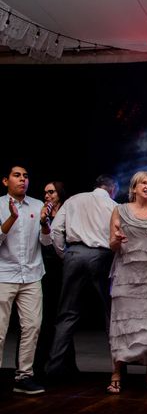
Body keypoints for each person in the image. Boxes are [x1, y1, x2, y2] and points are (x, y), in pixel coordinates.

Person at [46, 174, 119, 381]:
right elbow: (118, 237)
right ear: (112, 189)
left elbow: (55, 231)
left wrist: (65, 254)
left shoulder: (73, 200)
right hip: (102, 256)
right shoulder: (114, 206)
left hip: (74, 254)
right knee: (110, 315)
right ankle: (117, 371)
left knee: (67, 314)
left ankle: (52, 371)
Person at [107, 171, 147, 394]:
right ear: (133, 188)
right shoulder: (119, 210)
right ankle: (116, 373)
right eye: (143, 183)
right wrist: (116, 239)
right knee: (123, 324)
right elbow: (113, 245)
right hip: (126, 276)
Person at [0, 164, 52, 395]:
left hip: (32, 275)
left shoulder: (38, 205)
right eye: (17, 175)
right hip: (4, 274)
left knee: (32, 327)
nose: (23, 179)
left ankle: (24, 376)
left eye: (26, 176)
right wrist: (12, 218)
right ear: (5, 181)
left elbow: (47, 243)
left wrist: (44, 223)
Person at [33, 181, 70, 379]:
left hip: (62, 265)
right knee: (46, 317)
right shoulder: (41, 211)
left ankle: (65, 364)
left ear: (59, 193)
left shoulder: (67, 211)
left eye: (51, 192)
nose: (47, 195)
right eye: (45, 192)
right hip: (44, 266)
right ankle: (43, 364)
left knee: (62, 315)